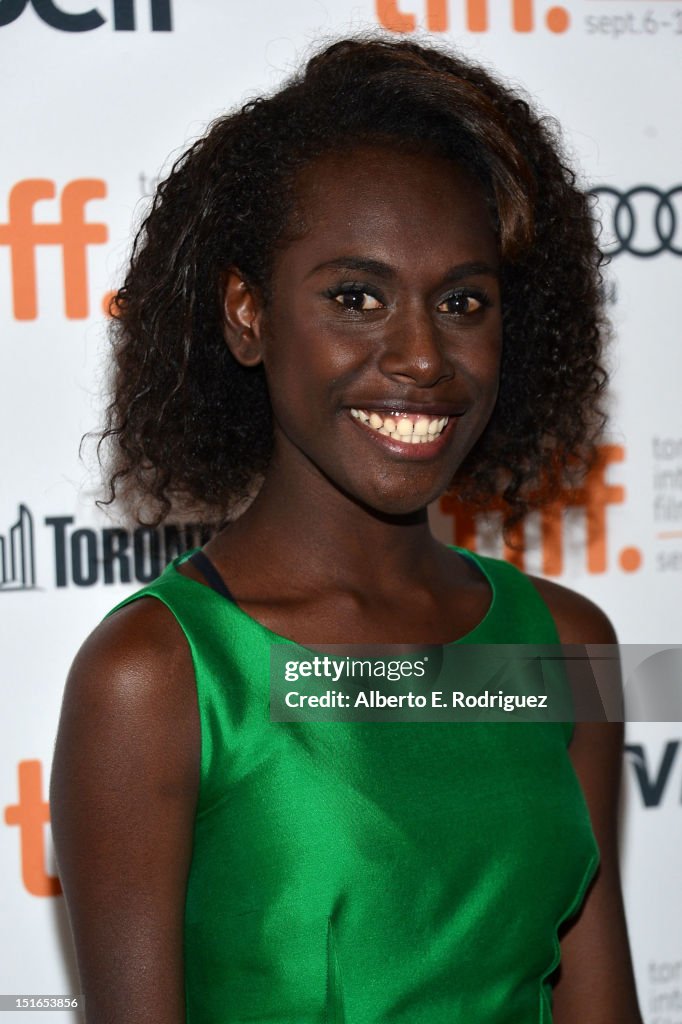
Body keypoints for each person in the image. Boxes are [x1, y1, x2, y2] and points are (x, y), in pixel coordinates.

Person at [49, 35, 643, 1024]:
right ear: (247, 313)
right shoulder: (155, 673)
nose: (420, 357)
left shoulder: (573, 647)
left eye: (462, 302)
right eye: (355, 298)